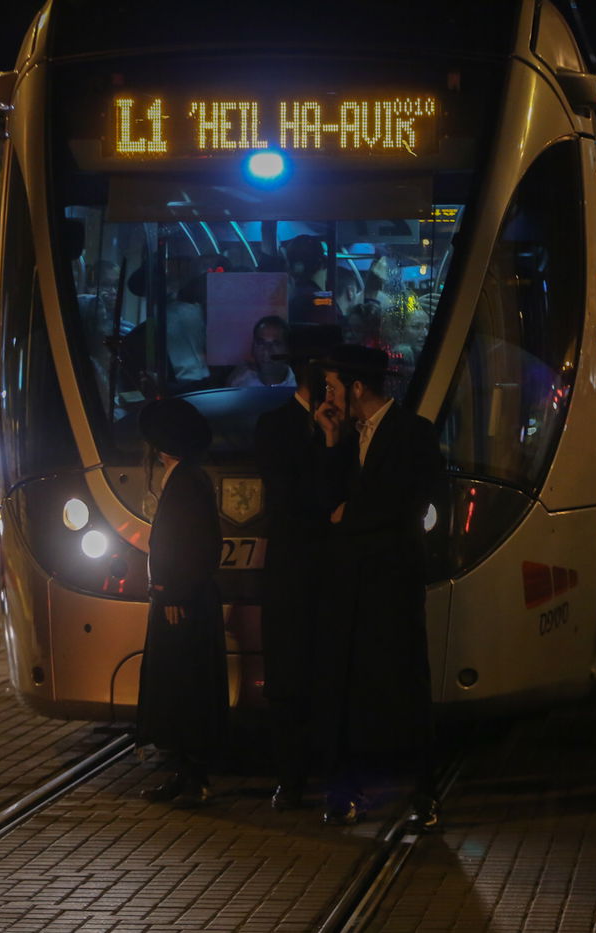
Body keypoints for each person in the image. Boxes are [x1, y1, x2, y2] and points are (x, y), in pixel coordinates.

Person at [311, 344, 445, 830]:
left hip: (391, 583)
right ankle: (348, 789)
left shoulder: (413, 432)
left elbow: (412, 501)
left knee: (403, 683)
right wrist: (330, 440)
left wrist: (350, 517)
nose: (326, 398)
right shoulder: (347, 437)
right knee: (348, 686)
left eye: (332, 388)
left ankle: (423, 794)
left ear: (357, 387)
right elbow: (327, 504)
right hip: (350, 584)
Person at [253, 323, 341, 809]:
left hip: (333, 568)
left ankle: (332, 772)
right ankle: (290, 776)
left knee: (331, 673)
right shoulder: (274, 425)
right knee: (287, 674)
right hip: (292, 568)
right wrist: (324, 443)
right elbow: (290, 496)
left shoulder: (345, 427)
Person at [135, 397, 227, 807]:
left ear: (161, 447)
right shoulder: (189, 477)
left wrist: (174, 593)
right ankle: (185, 772)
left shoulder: (185, 483)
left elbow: (190, 544)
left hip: (181, 599)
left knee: (183, 684)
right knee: (180, 684)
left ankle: (194, 776)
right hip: (182, 595)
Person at [228, 316, 296, 388]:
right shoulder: (241, 380)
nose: (266, 350)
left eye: (275, 344)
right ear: (252, 348)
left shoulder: (300, 384)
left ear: (287, 349)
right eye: (261, 343)